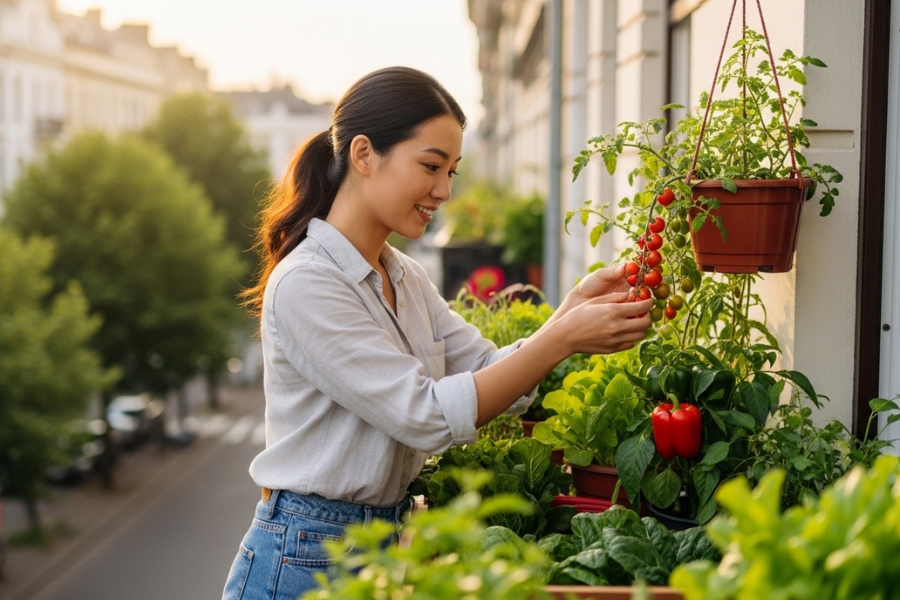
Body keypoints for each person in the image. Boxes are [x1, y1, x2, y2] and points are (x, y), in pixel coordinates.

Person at [221, 66, 653, 600]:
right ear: (363, 155)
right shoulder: (309, 283)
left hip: (372, 543)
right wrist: (562, 339)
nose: (445, 190)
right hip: (306, 554)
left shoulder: (402, 273)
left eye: (452, 171)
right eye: (431, 166)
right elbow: (425, 416)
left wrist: (568, 314)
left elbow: (487, 369)